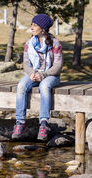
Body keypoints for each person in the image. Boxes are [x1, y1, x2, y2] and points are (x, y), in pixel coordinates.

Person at [12, 13, 63, 141]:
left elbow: (58, 65)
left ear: (43, 28)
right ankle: (20, 122)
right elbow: (25, 64)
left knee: (44, 86)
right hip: (34, 74)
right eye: (31, 25)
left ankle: (44, 124)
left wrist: (43, 74)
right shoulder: (29, 43)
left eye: (35, 25)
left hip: (51, 75)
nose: (32, 28)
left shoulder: (55, 43)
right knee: (21, 85)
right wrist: (32, 73)